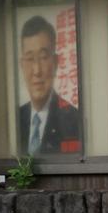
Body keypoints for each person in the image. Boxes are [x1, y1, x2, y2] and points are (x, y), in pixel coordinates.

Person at [16, 15, 82, 156]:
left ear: (56, 62)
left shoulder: (75, 120)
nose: (37, 70)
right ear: (21, 65)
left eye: (43, 57)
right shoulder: (15, 119)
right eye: (29, 59)